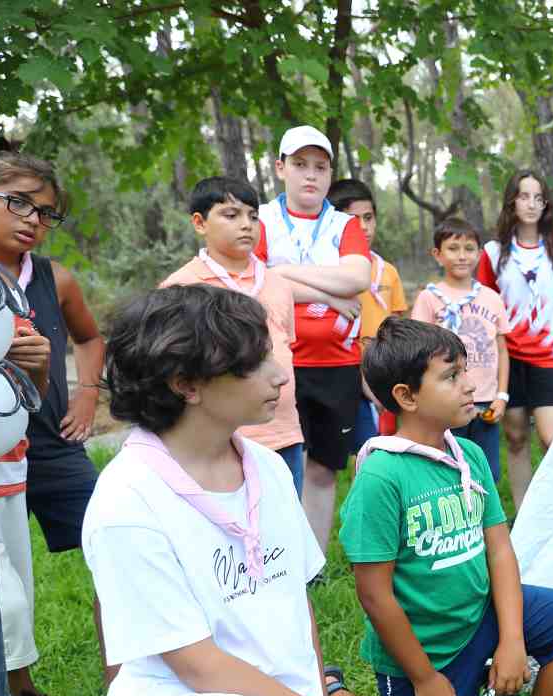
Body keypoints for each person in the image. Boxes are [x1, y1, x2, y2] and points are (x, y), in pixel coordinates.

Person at [0, 285, 392, 696]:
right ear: (186, 383)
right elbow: (192, 663)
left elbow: (294, 603)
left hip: (272, 691)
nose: (281, 375)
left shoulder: (268, 469)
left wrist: (310, 695)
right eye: (253, 364)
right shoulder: (128, 499)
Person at [338, 316, 553, 696]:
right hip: (426, 650)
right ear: (406, 396)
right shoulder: (382, 476)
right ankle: (335, 695)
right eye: (450, 376)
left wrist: (512, 641)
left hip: (478, 614)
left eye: (464, 371)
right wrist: (424, 678)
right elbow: (374, 597)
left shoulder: (471, 455)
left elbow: (499, 551)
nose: (469, 385)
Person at [0, 139, 108, 690]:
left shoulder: (56, 279)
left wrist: (85, 394)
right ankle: (17, 689)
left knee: (111, 536)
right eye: (21, 202)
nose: (35, 221)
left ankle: (127, 675)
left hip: (50, 441)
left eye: (46, 212)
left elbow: (90, 336)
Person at [254, 124, 372, 553]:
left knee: (324, 466)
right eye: (300, 165)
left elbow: (358, 276)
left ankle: (313, 561)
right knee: (276, 464)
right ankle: (275, 554)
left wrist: (286, 275)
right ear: (280, 167)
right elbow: (259, 279)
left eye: (320, 167)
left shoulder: (344, 224)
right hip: (278, 359)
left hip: (336, 362)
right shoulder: (263, 218)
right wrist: (329, 293)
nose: (311, 176)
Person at [159, 176, 305, 494]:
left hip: (283, 435)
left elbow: (284, 350)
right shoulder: (181, 287)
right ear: (199, 223)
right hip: (218, 440)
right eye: (231, 214)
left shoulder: (278, 284)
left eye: (253, 216)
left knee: (282, 530)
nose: (246, 225)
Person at [0, 162, 52, 696]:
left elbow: (29, 393)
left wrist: (37, 362)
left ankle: (16, 683)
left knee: (14, 571)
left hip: (4, 460)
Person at [477, 169, 553, 508]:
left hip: (550, 356)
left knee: (552, 438)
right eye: (524, 196)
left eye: (538, 197)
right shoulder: (494, 252)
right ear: (512, 201)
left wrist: (548, 328)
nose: (532, 204)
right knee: (516, 436)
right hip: (509, 357)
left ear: (546, 204)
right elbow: (485, 301)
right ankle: (524, 515)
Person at [410, 217, 508, 482]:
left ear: (479, 253)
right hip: (446, 400)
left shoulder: (491, 298)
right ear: (438, 255)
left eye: (469, 248)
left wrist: (502, 395)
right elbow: (418, 351)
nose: (462, 256)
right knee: (448, 470)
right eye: (453, 248)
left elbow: (501, 349)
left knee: (486, 473)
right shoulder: (429, 298)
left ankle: (484, 521)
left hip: (485, 401)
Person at [327, 177, 408, 452]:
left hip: (382, 371)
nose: (362, 226)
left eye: (368, 217)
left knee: (380, 448)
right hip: (343, 369)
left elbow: (399, 326)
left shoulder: (390, 272)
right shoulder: (328, 271)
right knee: (341, 454)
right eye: (352, 219)